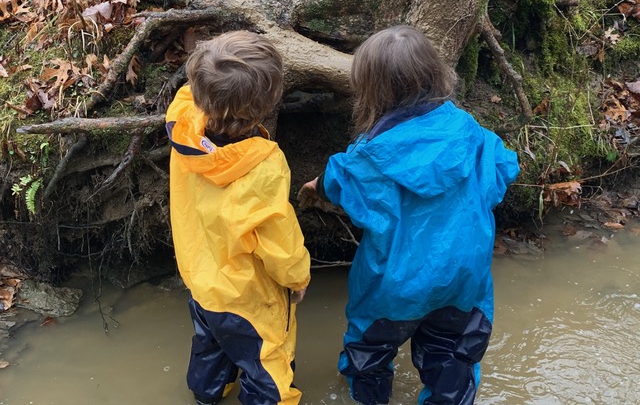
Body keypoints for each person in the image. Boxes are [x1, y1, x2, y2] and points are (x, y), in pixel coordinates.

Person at [298, 25, 520, 405]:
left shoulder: (368, 158)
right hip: (462, 283)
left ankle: (369, 397)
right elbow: (505, 169)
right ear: (436, 74)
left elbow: (336, 181)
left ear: (370, 91)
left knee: (368, 355)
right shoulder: (474, 135)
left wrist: (313, 189)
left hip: (392, 289)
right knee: (454, 362)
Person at [166, 31, 311, 405]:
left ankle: (206, 395)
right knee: (268, 367)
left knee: (209, 344)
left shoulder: (182, 121)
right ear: (268, 103)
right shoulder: (264, 166)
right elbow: (279, 238)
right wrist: (298, 279)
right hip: (247, 299)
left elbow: (194, 90)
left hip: (201, 282)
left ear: (198, 93)